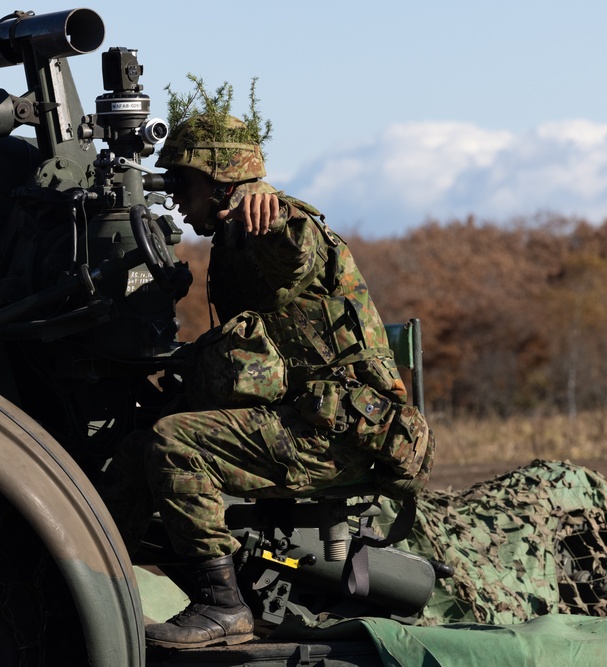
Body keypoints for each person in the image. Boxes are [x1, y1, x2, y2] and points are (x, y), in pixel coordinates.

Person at [99, 87, 434, 649]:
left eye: (182, 181)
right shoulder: (230, 243)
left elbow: (293, 250)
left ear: (221, 181)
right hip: (307, 420)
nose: (174, 196)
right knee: (135, 451)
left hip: (341, 433)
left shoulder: (273, 227)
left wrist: (267, 207)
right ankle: (95, 582)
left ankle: (223, 605)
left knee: (176, 443)